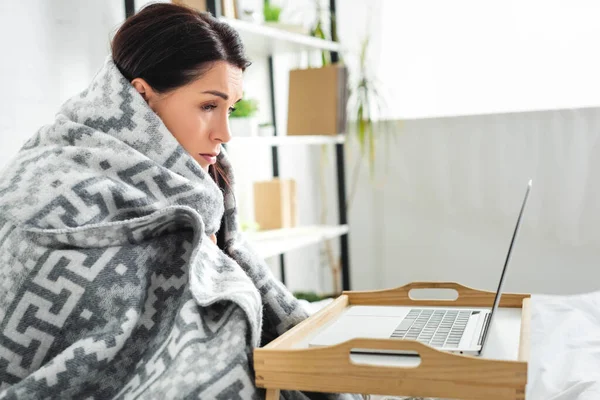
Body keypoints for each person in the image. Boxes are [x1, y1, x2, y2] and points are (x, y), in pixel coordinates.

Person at [0, 3, 359, 399]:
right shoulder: (47, 185)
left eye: (231, 109)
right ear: (142, 99)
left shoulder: (191, 187)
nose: (225, 132)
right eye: (208, 106)